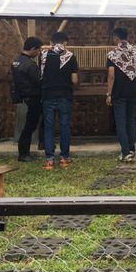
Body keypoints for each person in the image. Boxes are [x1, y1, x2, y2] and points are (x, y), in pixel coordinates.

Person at [40, 32, 79, 170]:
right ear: (65, 43)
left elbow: (41, 74)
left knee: (49, 128)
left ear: (50, 42)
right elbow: (74, 80)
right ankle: (64, 159)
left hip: (48, 95)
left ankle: (49, 161)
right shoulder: (71, 56)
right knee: (64, 126)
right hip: (64, 95)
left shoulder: (44, 55)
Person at [106, 27, 136, 162]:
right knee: (131, 120)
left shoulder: (113, 54)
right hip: (133, 91)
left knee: (121, 122)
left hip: (119, 92)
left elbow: (111, 75)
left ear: (116, 38)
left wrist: (109, 93)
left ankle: (125, 152)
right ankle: (131, 149)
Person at [11, 37, 43, 162]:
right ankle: (24, 154)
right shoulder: (29, 64)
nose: (39, 52)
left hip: (22, 97)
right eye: (38, 50)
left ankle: (24, 152)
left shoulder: (17, 61)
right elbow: (39, 80)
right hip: (32, 97)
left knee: (28, 126)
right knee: (30, 126)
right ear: (33, 49)